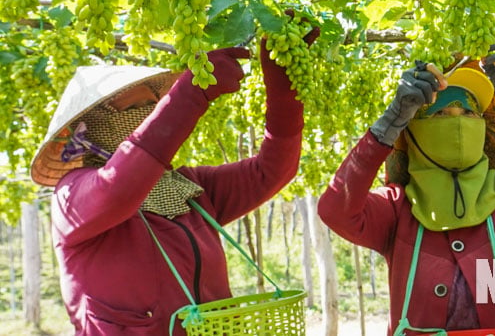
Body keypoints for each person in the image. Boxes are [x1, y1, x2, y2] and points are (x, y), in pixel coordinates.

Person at [30, 23, 318, 335]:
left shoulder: (189, 190)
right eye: (138, 107)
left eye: (154, 106)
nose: (150, 114)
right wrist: (192, 94)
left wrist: (283, 89)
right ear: (95, 124)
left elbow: (273, 170)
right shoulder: (71, 196)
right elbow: (120, 185)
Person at [318, 27, 495, 335]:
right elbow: (335, 209)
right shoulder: (397, 209)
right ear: (412, 132)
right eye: (439, 114)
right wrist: (389, 123)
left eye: (469, 112)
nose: (457, 121)